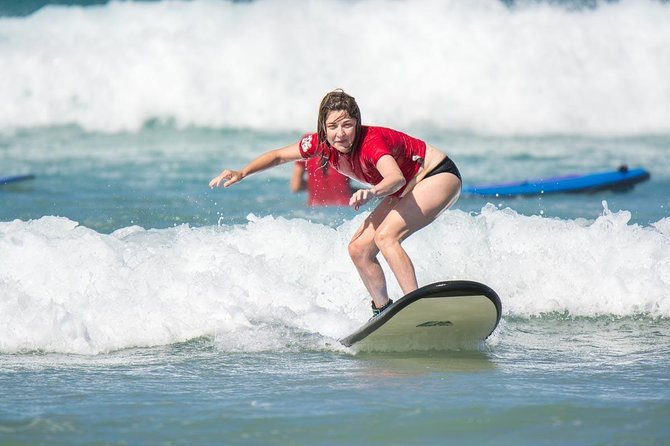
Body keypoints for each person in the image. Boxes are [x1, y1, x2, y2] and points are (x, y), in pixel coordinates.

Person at [209, 89, 462, 317]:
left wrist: (372, 192)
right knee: (359, 249)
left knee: (386, 237)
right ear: (323, 127)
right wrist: (242, 172)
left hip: (435, 175)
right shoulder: (318, 144)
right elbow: (277, 156)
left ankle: (416, 308)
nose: (340, 133)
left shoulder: (371, 143)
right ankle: (383, 311)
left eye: (347, 125)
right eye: (332, 126)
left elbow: (394, 178)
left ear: (357, 124)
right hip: (406, 185)